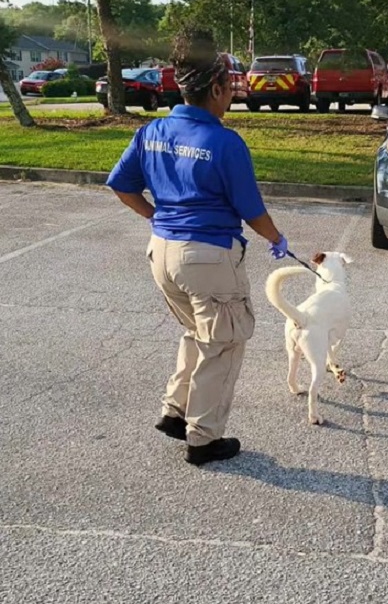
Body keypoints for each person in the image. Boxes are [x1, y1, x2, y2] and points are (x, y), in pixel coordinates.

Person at [106, 30, 288, 466]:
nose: (232, 96)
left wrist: (157, 218)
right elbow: (251, 209)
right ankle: (204, 439)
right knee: (223, 342)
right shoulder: (224, 142)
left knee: (198, 333)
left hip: (163, 252)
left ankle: (176, 410)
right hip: (207, 256)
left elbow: (120, 184)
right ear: (217, 88)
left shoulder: (151, 131)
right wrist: (277, 239)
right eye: (231, 88)